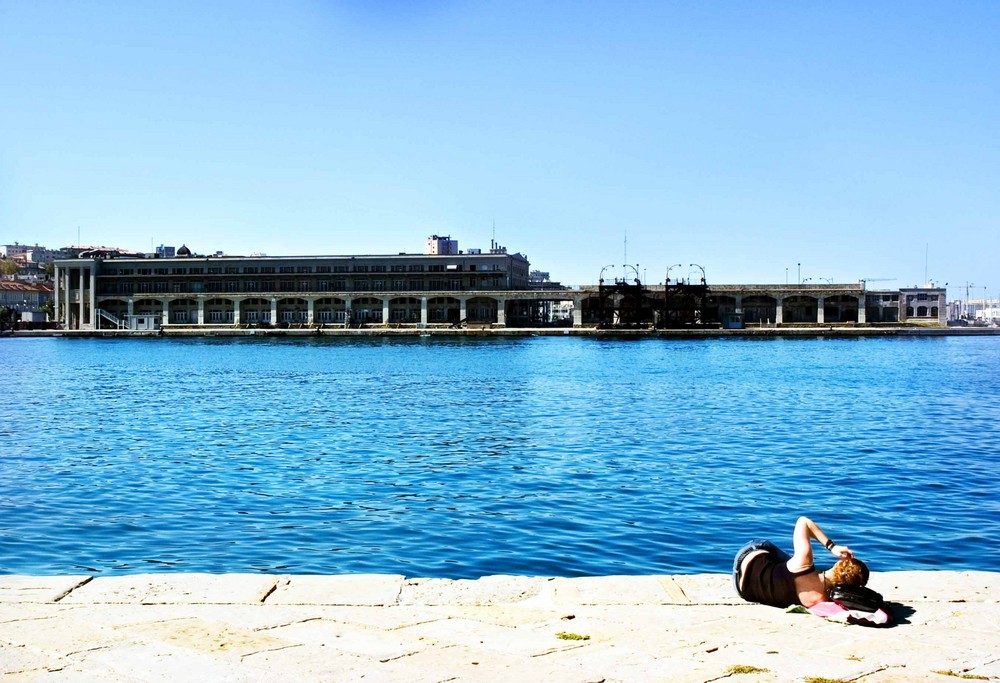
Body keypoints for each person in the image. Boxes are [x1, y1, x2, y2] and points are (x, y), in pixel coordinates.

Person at [733, 516, 870, 609]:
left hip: (746, 558)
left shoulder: (803, 563)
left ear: (838, 564)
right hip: (743, 591)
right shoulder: (821, 600)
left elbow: (803, 521)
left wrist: (832, 547)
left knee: (784, 557)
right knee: (787, 569)